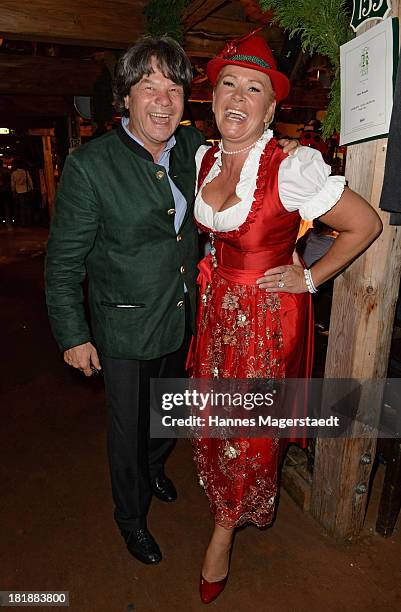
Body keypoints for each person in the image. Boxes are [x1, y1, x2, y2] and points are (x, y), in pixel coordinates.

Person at [45, 35, 298, 567]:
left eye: (173, 89)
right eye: (148, 87)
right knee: (127, 430)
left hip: (188, 317)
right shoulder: (92, 167)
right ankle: (130, 517)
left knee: (171, 413)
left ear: (187, 100)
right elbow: (64, 262)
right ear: (126, 99)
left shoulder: (191, 149)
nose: (162, 100)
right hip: (124, 329)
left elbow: (243, 154)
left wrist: (286, 148)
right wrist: (74, 335)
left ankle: (157, 467)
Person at [188, 33, 382, 603]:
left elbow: (364, 225)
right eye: (229, 84)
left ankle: (222, 532)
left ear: (272, 109)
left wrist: (310, 277)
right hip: (219, 307)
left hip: (268, 316)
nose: (238, 98)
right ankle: (225, 493)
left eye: (255, 89)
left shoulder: (294, 166)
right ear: (214, 96)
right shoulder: (204, 156)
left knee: (247, 429)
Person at [11, 159, 34, 227]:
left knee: (21, 208)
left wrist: (13, 192)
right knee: (28, 207)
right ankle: (29, 222)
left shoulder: (13, 173)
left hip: (19, 191)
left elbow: (13, 184)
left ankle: (23, 222)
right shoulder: (26, 172)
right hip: (26, 191)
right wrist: (32, 189)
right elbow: (30, 181)